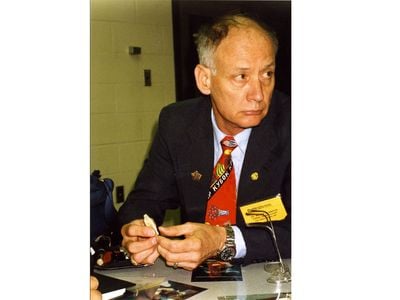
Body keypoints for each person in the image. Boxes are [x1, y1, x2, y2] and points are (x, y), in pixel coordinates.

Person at [118, 13, 291, 271]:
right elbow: (145, 200)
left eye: (267, 74)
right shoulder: (176, 123)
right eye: (241, 77)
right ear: (205, 79)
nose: (258, 94)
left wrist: (223, 239)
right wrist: (135, 231)